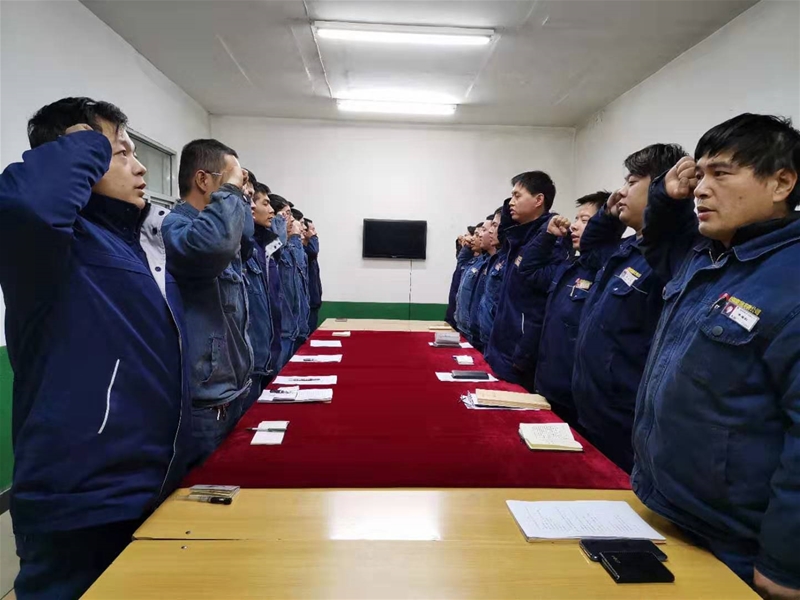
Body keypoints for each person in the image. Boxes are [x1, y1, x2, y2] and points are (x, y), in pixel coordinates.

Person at [0, 97, 192, 599]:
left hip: (150, 485)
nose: (140, 166)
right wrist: (86, 142)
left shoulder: (137, 243)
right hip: (79, 499)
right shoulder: (51, 246)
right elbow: (30, 205)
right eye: (121, 152)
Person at [632, 114, 800, 597]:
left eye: (721, 174)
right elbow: (658, 241)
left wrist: (785, 564)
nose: (702, 189)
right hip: (667, 509)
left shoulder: (789, 279)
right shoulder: (708, 257)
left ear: (781, 183)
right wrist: (666, 196)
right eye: (700, 174)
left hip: (736, 544)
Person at [571, 143, 688, 473]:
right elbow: (591, 252)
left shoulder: (668, 256)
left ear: (661, 187)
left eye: (632, 182)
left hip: (624, 418)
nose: (621, 192)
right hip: (593, 408)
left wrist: (668, 203)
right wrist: (607, 217)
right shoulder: (626, 249)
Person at [162, 139, 254, 463]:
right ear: (202, 180)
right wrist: (230, 192)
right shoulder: (176, 226)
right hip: (204, 405)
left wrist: (236, 194)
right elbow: (213, 246)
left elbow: (244, 237)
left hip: (231, 392)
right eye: (232, 180)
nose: (240, 191)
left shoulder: (221, 230)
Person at [533, 191, 615, 426]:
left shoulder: (607, 270)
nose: (574, 226)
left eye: (585, 220)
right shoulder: (572, 266)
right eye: (576, 219)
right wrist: (548, 237)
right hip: (548, 383)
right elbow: (529, 271)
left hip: (574, 396)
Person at [484, 172, 564, 388]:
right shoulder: (519, 237)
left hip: (520, 356)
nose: (511, 202)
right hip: (502, 348)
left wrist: (523, 355)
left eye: (517, 196)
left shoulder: (551, 239)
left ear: (539, 200)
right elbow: (505, 230)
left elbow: (539, 305)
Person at [241, 182, 281, 412]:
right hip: (250, 356)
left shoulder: (265, 245)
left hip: (268, 345)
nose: (273, 212)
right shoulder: (246, 248)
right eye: (266, 203)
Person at [269, 194, 309, 366]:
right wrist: (291, 236)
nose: (292, 220)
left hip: (293, 325)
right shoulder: (273, 248)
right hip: (282, 328)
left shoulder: (290, 248)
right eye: (286, 214)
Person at [467, 215, 501, 350]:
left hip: (490, 337)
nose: (480, 235)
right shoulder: (484, 261)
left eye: (494, 226)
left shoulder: (502, 262)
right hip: (476, 330)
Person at [477, 207, 507, 347]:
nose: (489, 231)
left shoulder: (508, 261)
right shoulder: (494, 260)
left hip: (497, 340)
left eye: (494, 226)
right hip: (482, 333)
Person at [454, 221, 488, 338]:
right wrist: (466, 247)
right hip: (463, 324)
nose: (472, 238)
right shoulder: (475, 261)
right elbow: (461, 264)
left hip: (475, 329)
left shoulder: (486, 263)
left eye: (477, 235)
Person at [445, 226, 477, 328]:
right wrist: (461, 246)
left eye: (467, 235)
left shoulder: (475, 262)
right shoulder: (466, 260)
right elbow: (460, 258)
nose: (464, 238)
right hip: (455, 312)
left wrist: (467, 246)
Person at [304, 218, 323, 333]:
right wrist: (313, 238)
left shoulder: (310, 254)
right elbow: (313, 251)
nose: (315, 233)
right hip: (308, 302)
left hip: (314, 300)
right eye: (312, 230)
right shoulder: (306, 251)